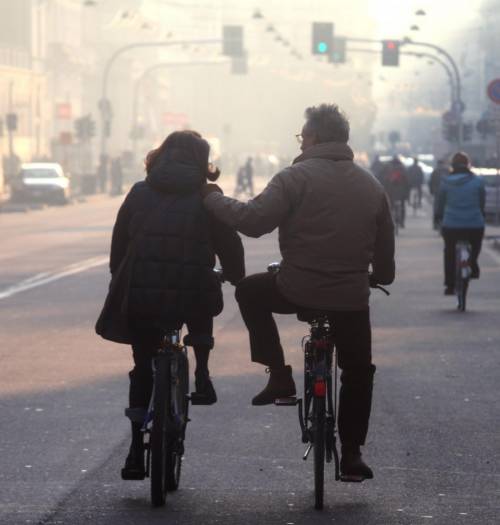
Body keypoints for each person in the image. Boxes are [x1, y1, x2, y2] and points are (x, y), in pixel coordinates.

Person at [201, 104, 395, 481]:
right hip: (350, 299)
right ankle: (352, 454)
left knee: (250, 291)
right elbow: (385, 256)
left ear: (314, 138)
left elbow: (254, 222)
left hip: (296, 289)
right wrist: (377, 276)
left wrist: (210, 199)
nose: (301, 143)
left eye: (302, 137)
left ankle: (279, 375)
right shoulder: (372, 185)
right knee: (358, 371)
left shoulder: (294, 178)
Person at [109, 130, 245, 479]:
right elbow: (229, 244)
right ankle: (201, 372)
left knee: (143, 367)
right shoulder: (206, 196)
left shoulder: (139, 192)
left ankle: (136, 451)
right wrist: (234, 274)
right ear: (202, 161)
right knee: (201, 292)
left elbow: (118, 247)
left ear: (162, 155)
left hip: (143, 296)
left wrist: (123, 279)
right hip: (191, 292)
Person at [435, 152, 485, 296]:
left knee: (449, 252)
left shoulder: (445, 182)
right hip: (474, 225)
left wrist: (438, 217)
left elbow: (440, 203)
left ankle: (450, 285)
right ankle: (473, 264)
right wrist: (479, 214)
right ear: (468, 164)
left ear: (452, 165)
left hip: (451, 225)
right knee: (475, 245)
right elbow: (482, 203)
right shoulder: (478, 181)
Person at [382, 155, 409, 228]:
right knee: (402, 206)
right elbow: (407, 182)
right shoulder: (403, 169)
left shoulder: (387, 168)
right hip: (401, 192)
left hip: (390, 191)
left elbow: (383, 180)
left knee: (389, 207)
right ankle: (402, 222)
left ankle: (389, 221)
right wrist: (407, 193)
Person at [429, 159, 449, 230]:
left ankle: (435, 223)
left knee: (436, 207)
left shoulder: (435, 171)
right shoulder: (448, 171)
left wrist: (431, 191)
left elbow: (431, 182)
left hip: (437, 192)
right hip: (446, 192)